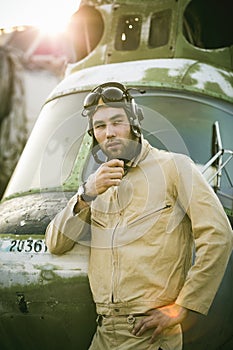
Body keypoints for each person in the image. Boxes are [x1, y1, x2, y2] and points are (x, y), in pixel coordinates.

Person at [45, 82, 233, 350]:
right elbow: (56, 242)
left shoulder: (175, 167)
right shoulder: (98, 185)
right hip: (103, 334)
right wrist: (86, 194)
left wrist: (183, 307)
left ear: (133, 122)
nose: (109, 133)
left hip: (150, 335)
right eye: (100, 126)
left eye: (117, 121)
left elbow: (219, 235)